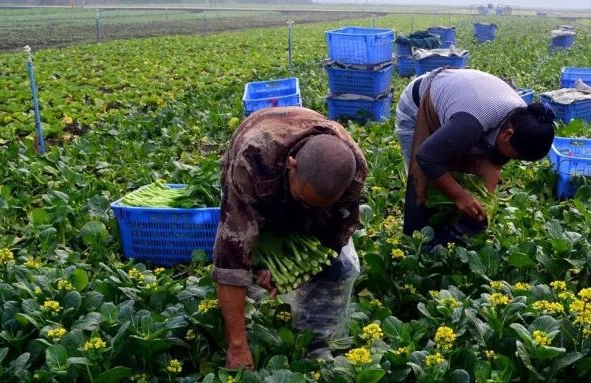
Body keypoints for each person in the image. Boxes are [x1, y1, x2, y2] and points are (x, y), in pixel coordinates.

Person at [211, 107, 367, 369]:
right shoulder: (251, 162)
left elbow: (337, 230)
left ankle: (317, 341)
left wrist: (294, 266)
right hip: (259, 166)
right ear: (291, 165)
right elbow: (230, 260)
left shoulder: (353, 171)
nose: (307, 208)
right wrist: (237, 347)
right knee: (244, 268)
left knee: (342, 267)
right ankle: (248, 332)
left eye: (317, 205)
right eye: (304, 199)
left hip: (307, 181)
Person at [394, 68, 556, 243]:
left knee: (453, 176)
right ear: (507, 134)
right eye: (514, 155)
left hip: (464, 102)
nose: (510, 159)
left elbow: (493, 164)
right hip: (419, 104)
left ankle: (449, 235)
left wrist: (483, 205)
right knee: (424, 181)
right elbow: (426, 157)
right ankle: (417, 244)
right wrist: (460, 196)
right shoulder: (472, 123)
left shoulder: (524, 122)